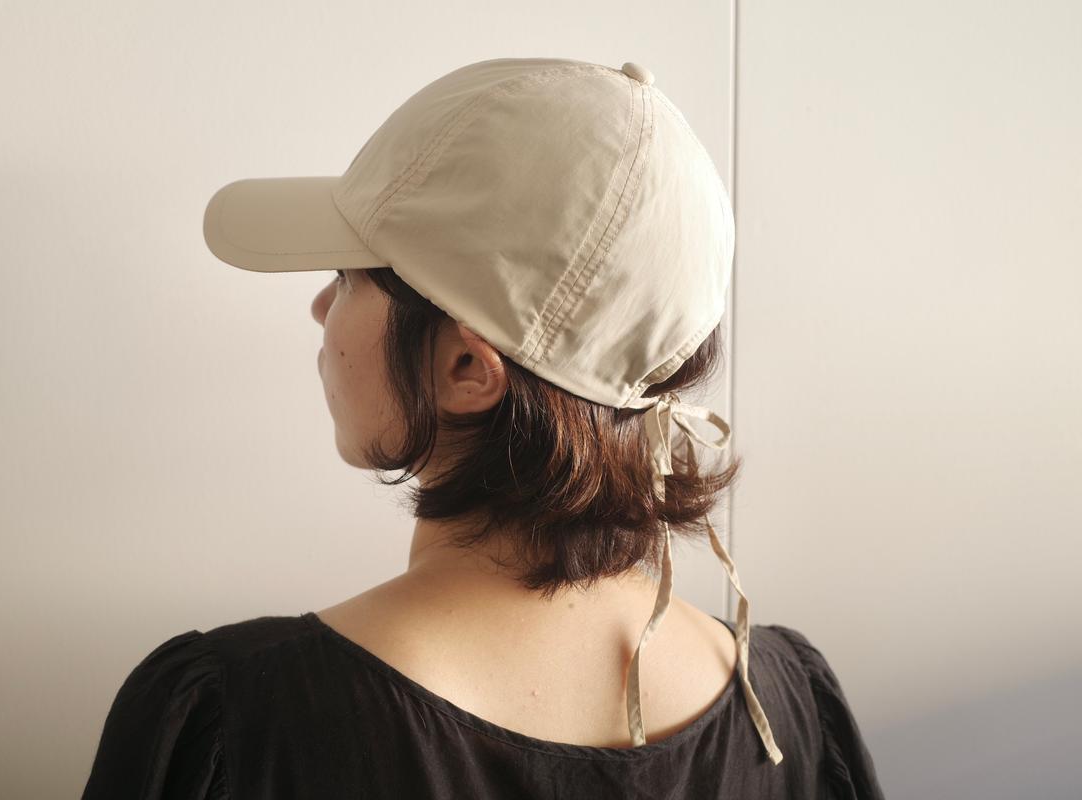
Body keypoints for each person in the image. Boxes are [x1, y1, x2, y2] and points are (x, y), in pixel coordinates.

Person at [81, 57, 885, 799]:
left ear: (466, 367)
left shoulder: (242, 721)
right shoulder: (789, 708)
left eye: (348, 276)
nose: (321, 308)